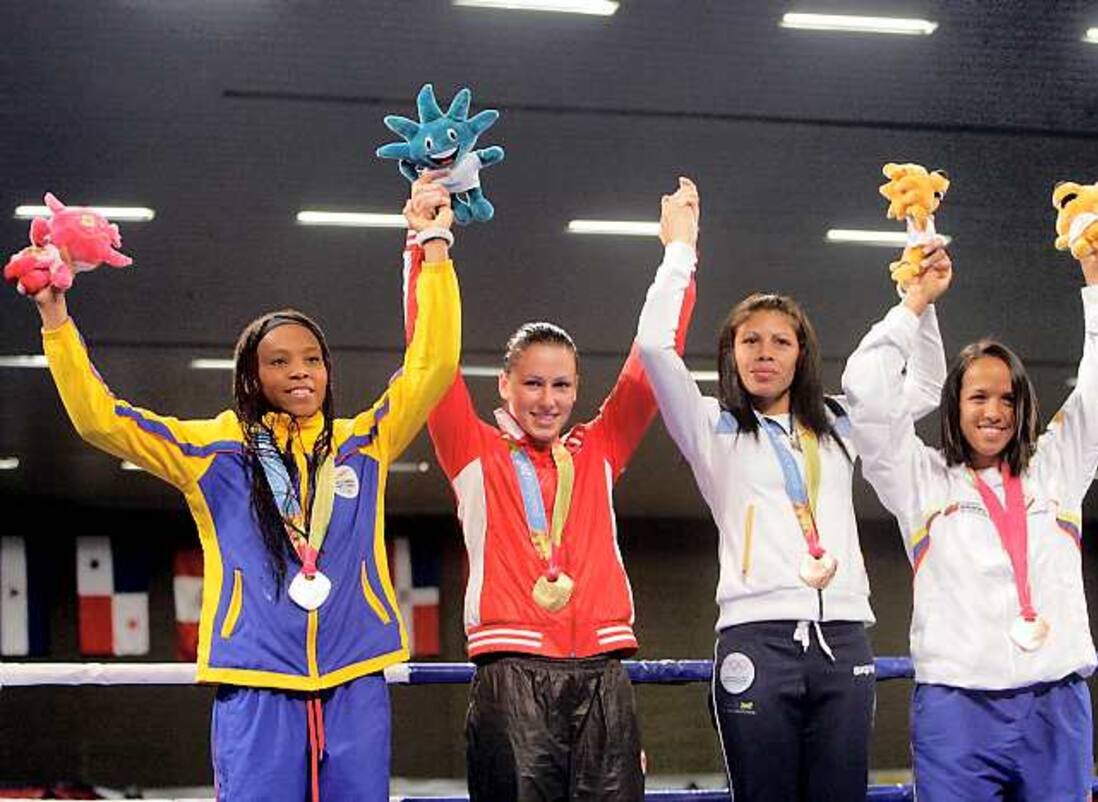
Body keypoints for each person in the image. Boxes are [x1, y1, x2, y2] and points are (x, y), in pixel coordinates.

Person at [29, 173, 462, 801]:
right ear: (250, 376)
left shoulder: (365, 442)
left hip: (354, 676)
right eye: (279, 361)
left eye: (312, 358)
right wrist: (55, 319)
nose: (300, 372)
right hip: (255, 676)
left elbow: (434, 362)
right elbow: (101, 419)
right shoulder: (213, 452)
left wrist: (435, 245)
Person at [634, 187, 948, 801]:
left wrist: (922, 295)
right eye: (750, 341)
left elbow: (929, 383)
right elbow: (652, 347)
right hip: (757, 639)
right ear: (730, 353)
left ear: (802, 352)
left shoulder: (842, 421)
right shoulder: (710, 428)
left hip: (846, 637)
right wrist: (680, 252)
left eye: (780, 341)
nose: (765, 353)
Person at [402, 178, 698, 802]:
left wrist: (680, 254)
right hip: (510, 670)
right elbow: (430, 358)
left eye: (562, 386)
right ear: (504, 385)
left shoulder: (598, 450)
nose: (548, 400)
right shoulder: (471, 449)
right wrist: (427, 245)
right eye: (533, 384)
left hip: (603, 672)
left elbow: (653, 360)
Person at [840, 224, 1098, 801]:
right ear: (953, 406)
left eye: (1007, 398)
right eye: (977, 397)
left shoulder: (1058, 464)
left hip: (1055, 702)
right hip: (957, 709)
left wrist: (1095, 280)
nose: (994, 411)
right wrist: (913, 303)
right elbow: (867, 395)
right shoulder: (920, 479)